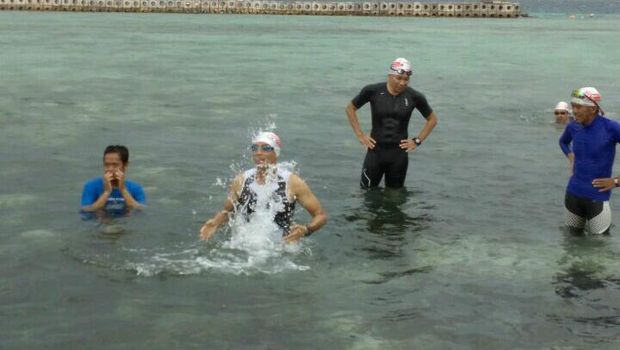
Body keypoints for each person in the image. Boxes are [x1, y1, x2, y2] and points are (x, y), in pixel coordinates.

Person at [200, 132, 327, 243]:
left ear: (276, 153)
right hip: (244, 244)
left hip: (281, 248)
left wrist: (306, 230)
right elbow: (228, 212)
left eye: (266, 148)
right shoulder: (241, 180)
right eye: (255, 148)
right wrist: (215, 222)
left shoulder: (293, 182)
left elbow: (320, 216)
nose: (258, 152)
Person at [346, 57, 438, 189]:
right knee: (367, 195)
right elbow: (350, 109)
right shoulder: (372, 91)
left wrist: (417, 141)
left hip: (398, 156)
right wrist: (360, 135)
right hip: (375, 152)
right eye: (399, 78)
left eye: (406, 80)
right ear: (389, 76)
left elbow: (432, 120)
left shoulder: (414, 96)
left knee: (395, 199)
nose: (402, 83)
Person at [559, 87, 620, 234]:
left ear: (593, 109)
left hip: (597, 199)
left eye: (578, 107)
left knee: (598, 250)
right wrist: (570, 155)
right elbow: (563, 142)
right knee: (571, 245)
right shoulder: (573, 126)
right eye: (573, 106)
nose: (573, 111)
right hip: (572, 195)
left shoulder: (611, 128)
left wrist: (616, 181)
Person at [81, 145, 146, 214]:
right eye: (106, 165)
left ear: (125, 165)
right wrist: (106, 192)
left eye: (115, 165)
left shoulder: (136, 188)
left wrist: (123, 190)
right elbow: (86, 210)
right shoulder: (91, 186)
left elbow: (141, 210)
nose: (110, 169)